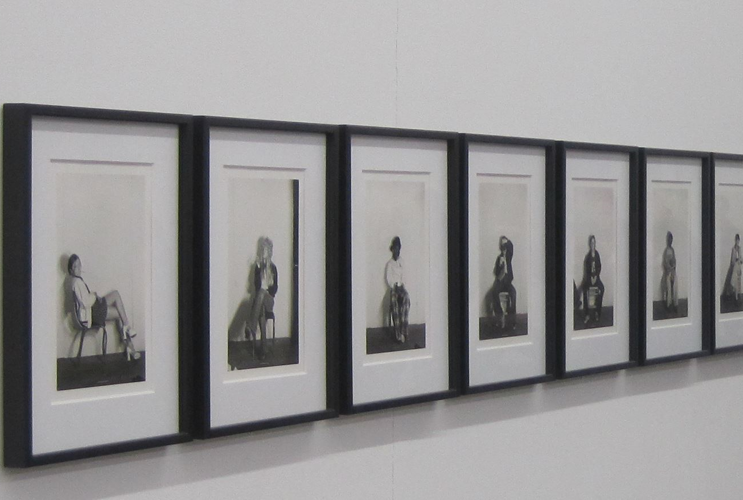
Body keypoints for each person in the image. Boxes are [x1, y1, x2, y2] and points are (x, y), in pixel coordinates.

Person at [67, 254, 139, 360]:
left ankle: (128, 335)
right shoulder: (76, 282)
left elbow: (84, 298)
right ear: (71, 270)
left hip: (93, 309)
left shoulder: (76, 281)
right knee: (119, 312)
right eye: (75, 266)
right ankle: (129, 343)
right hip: (92, 314)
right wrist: (94, 296)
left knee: (115, 294)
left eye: (79, 265)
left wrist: (93, 295)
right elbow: (86, 302)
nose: (78, 268)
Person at [245, 237, 278, 361]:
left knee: (262, 294)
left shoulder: (273, 268)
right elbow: (255, 286)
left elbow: (275, 289)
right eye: (262, 249)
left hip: (269, 299)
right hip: (261, 302)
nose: (263, 252)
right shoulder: (258, 267)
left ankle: (251, 327)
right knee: (261, 314)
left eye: (266, 249)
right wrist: (259, 271)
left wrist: (267, 290)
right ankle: (264, 350)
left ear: (269, 251)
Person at [385, 236, 410, 343]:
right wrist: (394, 286)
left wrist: (402, 286)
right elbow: (388, 279)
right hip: (394, 288)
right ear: (392, 250)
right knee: (394, 303)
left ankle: (404, 330)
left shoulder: (402, 262)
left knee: (406, 300)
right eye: (395, 249)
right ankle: (398, 334)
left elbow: (405, 276)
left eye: (398, 249)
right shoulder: (389, 264)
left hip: (402, 287)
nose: (397, 251)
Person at [492, 236, 517, 329]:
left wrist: (506, 241)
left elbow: (511, 246)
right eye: (502, 246)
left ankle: (512, 320)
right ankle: (500, 316)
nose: (504, 248)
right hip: (500, 282)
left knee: (513, 293)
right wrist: (499, 265)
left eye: (505, 246)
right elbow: (495, 273)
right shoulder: (499, 258)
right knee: (494, 292)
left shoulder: (509, 256)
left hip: (508, 283)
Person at [580, 235, 605, 324]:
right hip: (589, 279)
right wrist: (590, 277)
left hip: (596, 278)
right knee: (585, 290)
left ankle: (597, 312)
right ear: (589, 244)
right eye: (591, 243)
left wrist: (596, 276)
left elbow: (599, 266)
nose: (593, 244)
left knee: (601, 288)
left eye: (594, 243)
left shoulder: (597, 254)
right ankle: (587, 314)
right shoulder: (587, 257)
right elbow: (586, 270)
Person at [660, 231, 678, 313]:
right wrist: (669, 269)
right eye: (668, 239)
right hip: (668, 272)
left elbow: (674, 260)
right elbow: (665, 262)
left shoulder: (672, 250)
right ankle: (668, 305)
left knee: (674, 288)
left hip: (672, 271)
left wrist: (674, 269)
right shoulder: (666, 251)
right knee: (668, 289)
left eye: (671, 239)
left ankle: (675, 304)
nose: (670, 241)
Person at [723, 233, 743, 304]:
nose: (737, 241)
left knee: (738, 282)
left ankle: (737, 297)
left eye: (738, 240)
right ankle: (732, 296)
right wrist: (735, 262)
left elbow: (741, 259)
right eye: (736, 240)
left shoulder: (740, 248)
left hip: (738, 267)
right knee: (732, 281)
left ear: (739, 240)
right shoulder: (733, 249)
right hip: (734, 267)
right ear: (735, 240)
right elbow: (732, 260)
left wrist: (740, 261)